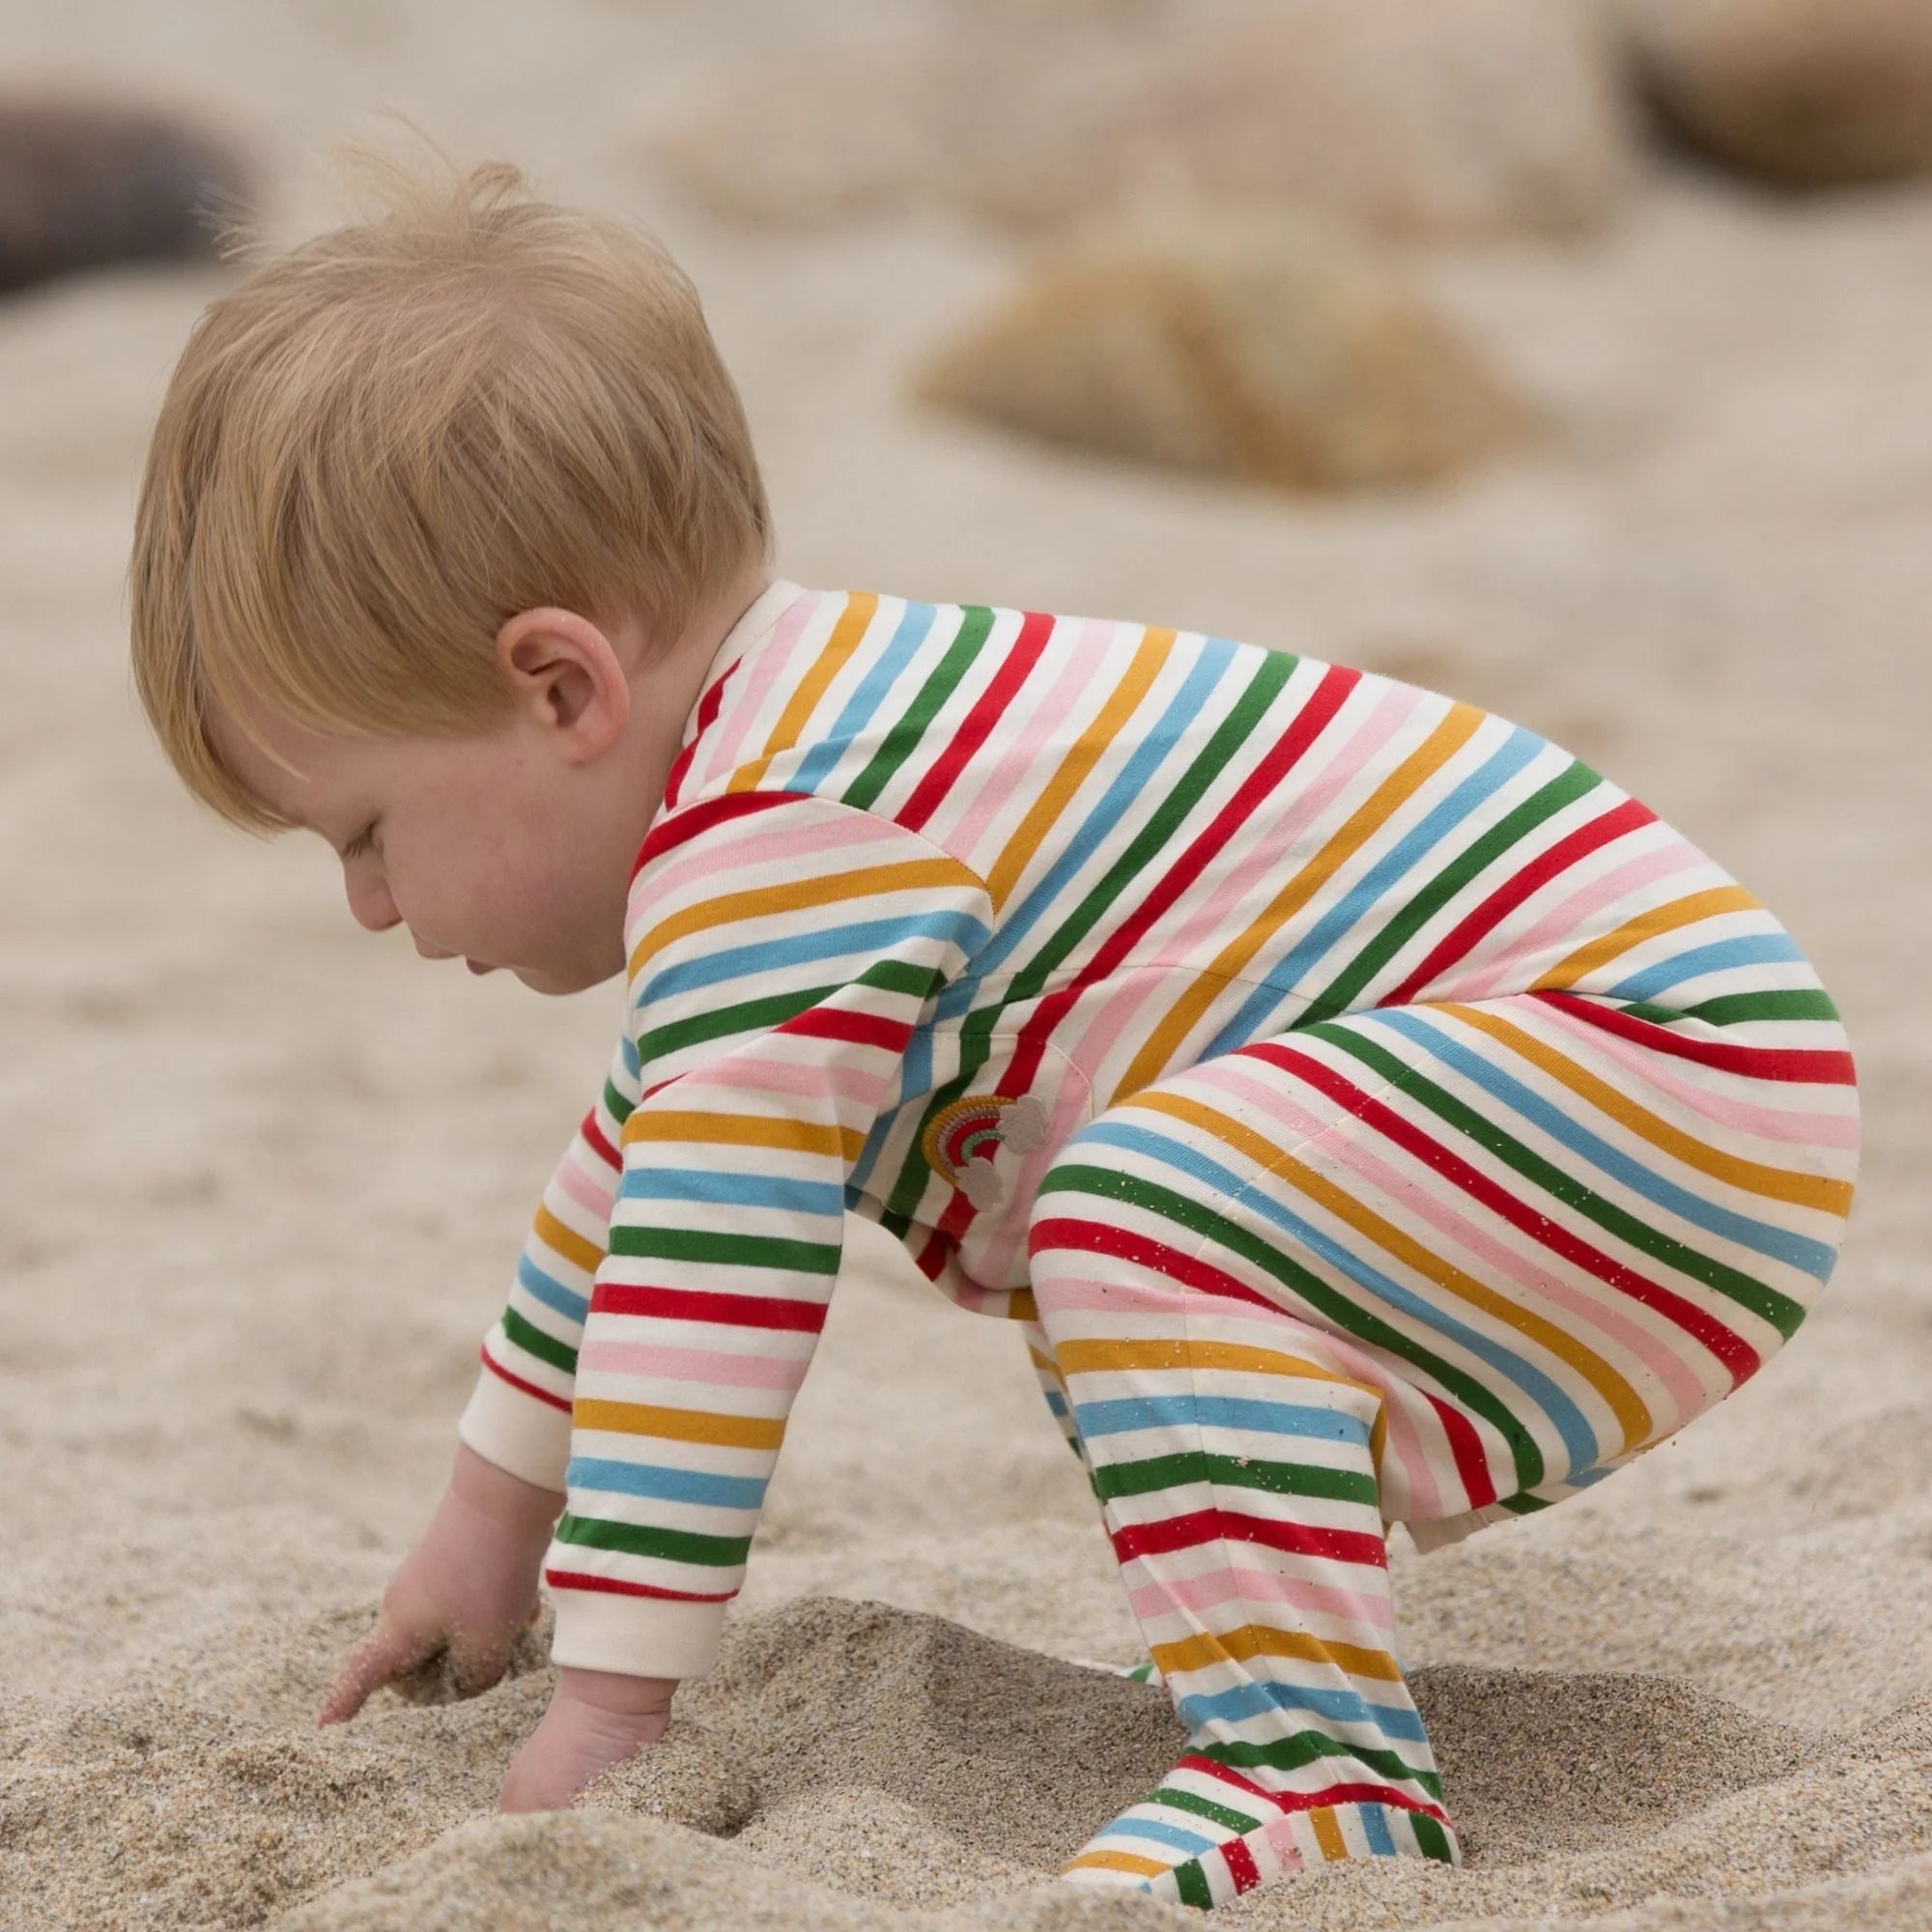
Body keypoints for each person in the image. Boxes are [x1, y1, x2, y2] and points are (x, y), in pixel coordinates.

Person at [126, 155, 1859, 1912]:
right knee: (1125, 1209)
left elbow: (704, 1287)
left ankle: (1318, 1766)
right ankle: (1269, 1654)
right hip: (1640, 1074)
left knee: (1136, 1222)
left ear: (561, 688)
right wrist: (482, 1533)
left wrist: (613, 1706)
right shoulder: (780, 779)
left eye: (365, 833)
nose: (365, 906)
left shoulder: (789, 819)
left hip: (1648, 1069)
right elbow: (631, 1178)